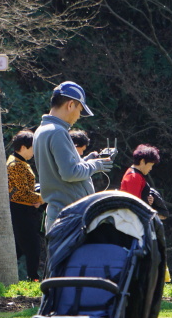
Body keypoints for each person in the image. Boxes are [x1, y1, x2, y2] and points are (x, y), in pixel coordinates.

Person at [32, 81, 113, 232]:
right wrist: (97, 165)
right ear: (70, 105)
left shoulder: (43, 129)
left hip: (60, 216)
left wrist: (85, 161)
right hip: (69, 218)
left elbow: (60, 170)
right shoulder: (58, 132)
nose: (79, 116)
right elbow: (70, 173)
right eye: (80, 109)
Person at [7, 129, 44, 280]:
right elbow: (21, 194)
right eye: (32, 148)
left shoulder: (19, 162)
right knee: (33, 247)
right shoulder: (17, 165)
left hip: (23, 209)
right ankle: (33, 279)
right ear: (23, 147)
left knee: (21, 248)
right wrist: (42, 198)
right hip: (20, 211)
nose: (34, 152)